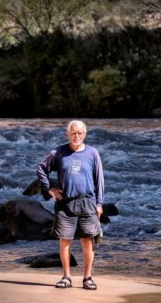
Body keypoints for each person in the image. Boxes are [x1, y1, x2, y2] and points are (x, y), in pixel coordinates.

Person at [37, 120, 104, 290]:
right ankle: (66, 277)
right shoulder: (58, 152)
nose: (76, 136)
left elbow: (99, 180)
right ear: (68, 134)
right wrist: (50, 189)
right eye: (73, 133)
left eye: (80, 133)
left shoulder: (92, 153)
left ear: (85, 134)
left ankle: (87, 278)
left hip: (88, 203)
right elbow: (41, 169)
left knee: (87, 241)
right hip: (65, 204)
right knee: (65, 241)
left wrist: (99, 203)